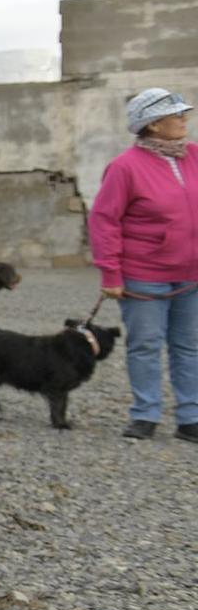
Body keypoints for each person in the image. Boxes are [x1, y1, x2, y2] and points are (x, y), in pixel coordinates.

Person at [89, 88, 198, 442]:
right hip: (144, 276)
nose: (184, 120)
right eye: (176, 115)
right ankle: (145, 414)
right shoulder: (124, 167)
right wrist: (111, 273)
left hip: (190, 275)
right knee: (146, 345)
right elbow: (104, 221)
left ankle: (190, 418)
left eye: (183, 114)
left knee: (189, 345)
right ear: (152, 125)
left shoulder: (194, 156)